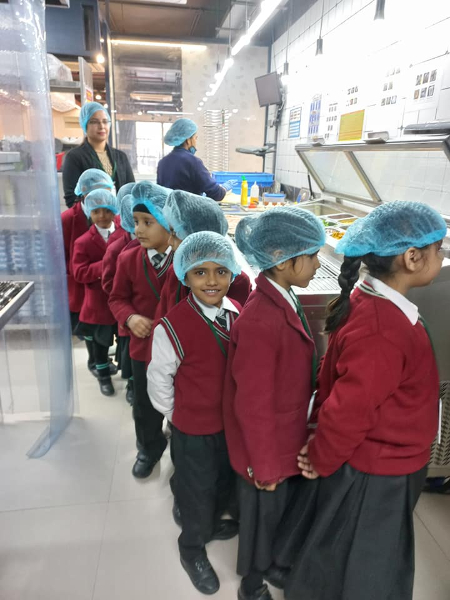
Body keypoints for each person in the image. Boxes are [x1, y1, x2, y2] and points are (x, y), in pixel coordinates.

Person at [289, 201, 446, 600]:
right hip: (379, 471)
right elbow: (348, 411)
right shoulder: (383, 329)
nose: (442, 256)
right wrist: (321, 457)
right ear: (412, 258)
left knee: (346, 545)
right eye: (439, 248)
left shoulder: (373, 302)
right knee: (366, 561)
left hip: (385, 461)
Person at [222, 207, 326, 600]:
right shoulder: (260, 320)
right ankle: (251, 584)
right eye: (312, 256)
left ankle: (275, 564)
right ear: (282, 260)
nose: (318, 264)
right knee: (259, 519)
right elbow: (252, 404)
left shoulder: (283, 297)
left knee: (278, 512)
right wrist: (264, 465)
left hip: (283, 435)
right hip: (263, 449)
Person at [148, 231, 242, 595]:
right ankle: (192, 547)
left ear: (232, 273)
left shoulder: (236, 313)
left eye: (221, 271)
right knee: (196, 490)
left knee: (221, 481)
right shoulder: (172, 326)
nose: (212, 280)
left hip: (228, 426)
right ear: (185, 275)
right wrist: (180, 415)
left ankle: (210, 524)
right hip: (193, 431)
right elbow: (159, 381)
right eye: (200, 272)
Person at [109, 181, 173, 478]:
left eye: (148, 222)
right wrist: (130, 317)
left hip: (179, 349)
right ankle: (149, 446)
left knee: (179, 398)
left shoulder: (184, 261)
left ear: (169, 223)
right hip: (143, 348)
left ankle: (181, 446)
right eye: (136, 222)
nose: (139, 230)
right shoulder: (128, 259)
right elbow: (116, 298)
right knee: (144, 403)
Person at [152, 189, 252, 330]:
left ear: (196, 237)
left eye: (175, 233)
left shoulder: (237, 282)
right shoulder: (175, 273)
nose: (169, 241)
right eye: (200, 273)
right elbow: (161, 318)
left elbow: (241, 331)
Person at [71, 189, 120, 396]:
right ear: (89, 212)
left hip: (121, 299)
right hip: (98, 302)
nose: (102, 216)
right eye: (96, 211)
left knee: (122, 339)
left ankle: (127, 375)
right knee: (100, 343)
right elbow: (79, 273)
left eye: (107, 211)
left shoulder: (122, 235)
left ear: (114, 211)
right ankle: (103, 376)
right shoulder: (82, 242)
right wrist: (105, 265)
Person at [61, 168, 115, 333]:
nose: (102, 214)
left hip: (111, 292)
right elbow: (61, 258)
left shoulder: (115, 219)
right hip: (81, 290)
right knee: (89, 335)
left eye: (105, 195)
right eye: (95, 197)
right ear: (83, 195)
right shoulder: (68, 219)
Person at [102, 192, 139, 405]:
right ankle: (132, 386)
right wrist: (128, 305)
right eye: (136, 221)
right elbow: (108, 283)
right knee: (130, 356)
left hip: (149, 315)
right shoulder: (117, 248)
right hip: (128, 314)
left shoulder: (159, 245)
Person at [63, 102, 134, 208]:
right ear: (85, 125)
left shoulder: (121, 157)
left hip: (120, 216)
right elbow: (71, 198)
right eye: (94, 122)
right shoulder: (74, 157)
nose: (101, 126)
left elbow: (131, 191)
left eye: (105, 121)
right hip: (91, 217)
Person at [157, 118, 236, 201]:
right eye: (195, 138)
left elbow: (161, 193)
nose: (195, 142)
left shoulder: (162, 162)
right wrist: (225, 187)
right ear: (188, 140)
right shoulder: (192, 162)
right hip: (190, 209)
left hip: (169, 209)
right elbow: (216, 194)